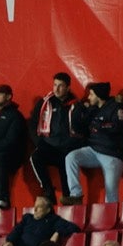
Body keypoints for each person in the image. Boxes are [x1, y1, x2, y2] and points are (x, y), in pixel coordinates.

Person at [65, 81, 123, 203]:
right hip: (94, 150)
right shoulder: (93, 109)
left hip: (112, 154)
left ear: (99, 96)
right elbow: (79, 128)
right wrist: (80, 108)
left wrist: (99, 125)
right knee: (71, 157)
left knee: (111, 193)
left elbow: (117, 127)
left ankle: (110, 220)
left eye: (91, 94)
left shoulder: (116, 106)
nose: (88, 97)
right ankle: (76, 195)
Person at [26, 73, 78, 204]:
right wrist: (38, 142)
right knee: (35, 157)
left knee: (67, 189)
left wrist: (74, 144)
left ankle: (68, 203)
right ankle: (48, 190)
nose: (56, 89)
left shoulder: (76, 104)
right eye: (55, 85)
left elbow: (82, 128)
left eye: (60, 86)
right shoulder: (45, 102)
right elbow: (32, 123)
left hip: (67, 148)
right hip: (49, 145)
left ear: (68, 88)